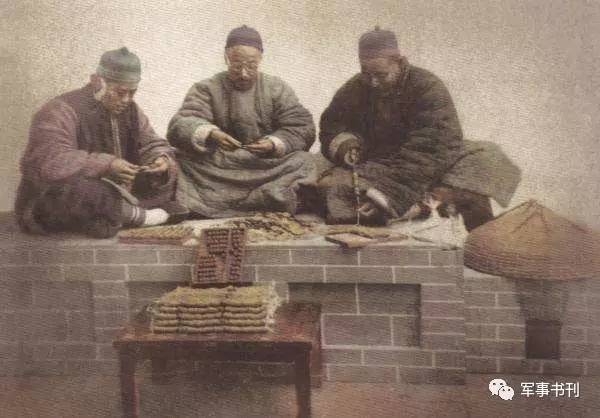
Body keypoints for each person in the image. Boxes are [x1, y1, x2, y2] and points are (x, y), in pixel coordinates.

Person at [318, 27, 520, 230]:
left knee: (483, 166)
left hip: (430, 160)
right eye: (366, 73)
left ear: (398, 61)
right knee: (331, 187)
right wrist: (346, 145)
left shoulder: (427, 86)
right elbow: (331, 125)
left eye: (381, 75)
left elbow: (432, 146)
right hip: (378, 162)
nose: (373, 82)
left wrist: (393, 193)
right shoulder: (355, 87)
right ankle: (409, 207)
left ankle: (478, 245)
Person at [15, 47, 183, 238]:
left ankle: (120, 213)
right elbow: (50, 160)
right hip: (53, 199)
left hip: (115, 193)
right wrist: (107, 164)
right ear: (97, 82)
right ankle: (134, 215)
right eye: (120, 93)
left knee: (177, 165)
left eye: (132, 93)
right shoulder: (60, 109)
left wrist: (159, 159)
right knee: (83, 191)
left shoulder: (132, 110)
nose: (127, 100)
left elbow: (151, 141)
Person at [167, 25, 317, 218]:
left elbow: (302, 126)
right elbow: (182, 122)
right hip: (221, 165)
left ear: (261, 60)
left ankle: (259, 199)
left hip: (265, 165)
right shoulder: (207, 88)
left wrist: (274, 143)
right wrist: (211, 133)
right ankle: (259, 203)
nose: (244, 73)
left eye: (251, 66)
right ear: (227, 58)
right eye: (237, 66)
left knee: (304, 161)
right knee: (180, 161)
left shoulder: (276, 88)